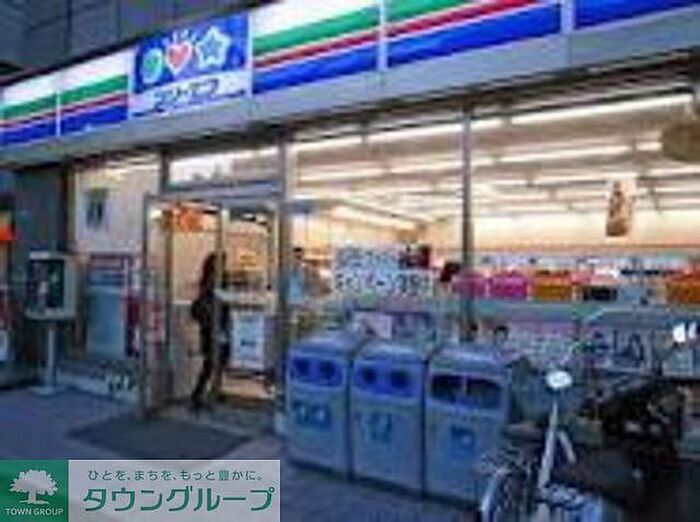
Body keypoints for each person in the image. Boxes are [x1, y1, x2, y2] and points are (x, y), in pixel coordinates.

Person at [190, 252, 230, 411]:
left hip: (211, 327)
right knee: (212, 362)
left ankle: (213, 391)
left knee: (216, 361)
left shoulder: (206, 279)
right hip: (215, 327)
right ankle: (198, 394)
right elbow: (221, 300)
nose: (225, 265)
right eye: (223, 262)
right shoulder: (216, 280)